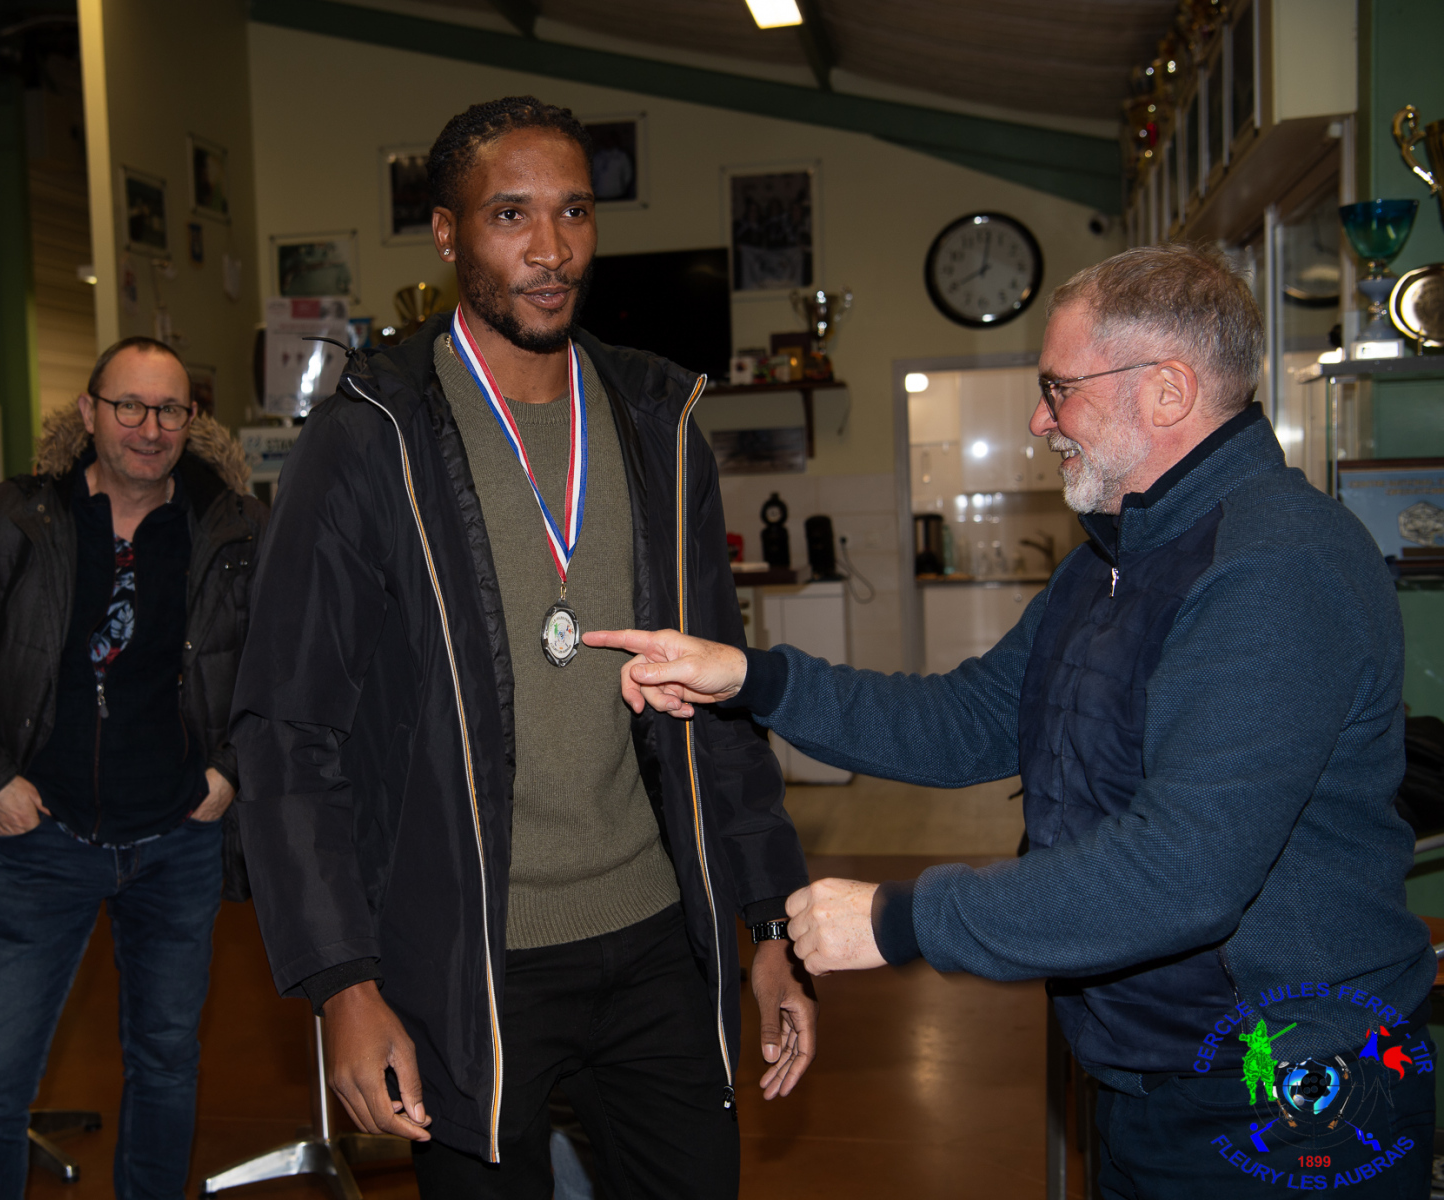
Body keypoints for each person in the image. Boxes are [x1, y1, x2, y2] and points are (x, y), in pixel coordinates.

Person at [586, 244, 1437, 1198]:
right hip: (1153, 1070)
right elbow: (968, 718)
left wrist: (901, 918)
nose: (1040, 420)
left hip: (1285, 1089)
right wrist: (751, 677)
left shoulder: (1276, 567)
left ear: (1168, 391)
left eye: (1059, 389)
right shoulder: (1114, 558)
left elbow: (1183, 872)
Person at [231, 96, 815, 1198]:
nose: (551, 250)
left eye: (574, 213)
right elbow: (290, 729)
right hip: (468, 955)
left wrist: (771, 923)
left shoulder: (659, 425)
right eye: (511, 215)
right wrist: (342, 983)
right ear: (447, 234)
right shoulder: (370, 439)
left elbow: (719, 700)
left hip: (655, 938)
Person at [0, 336, 265, 1199]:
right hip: (39, 842)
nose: (149, 428)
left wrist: (230, 771)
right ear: (90, 412)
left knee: (166, 1064)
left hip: (178, 844)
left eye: (169, 410)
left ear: (192, 421)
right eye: (128, 406)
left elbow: (284, 667)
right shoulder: (14, 520)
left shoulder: (237, 529)